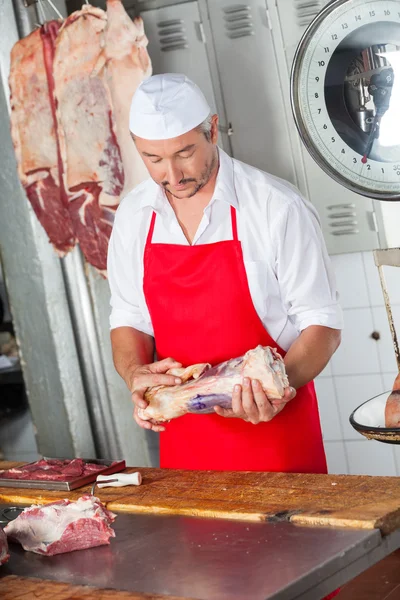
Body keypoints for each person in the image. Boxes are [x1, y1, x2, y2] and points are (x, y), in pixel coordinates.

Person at [107, 73, 343, 473]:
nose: (172, 175)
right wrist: (136, 373)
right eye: (153, 159)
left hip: (276, 437)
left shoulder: (276, 207)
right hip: (187, 450)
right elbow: (129, 317)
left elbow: (323, 326)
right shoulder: (133, 216)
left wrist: (276, 388)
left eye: (184, 152)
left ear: (213, 130)